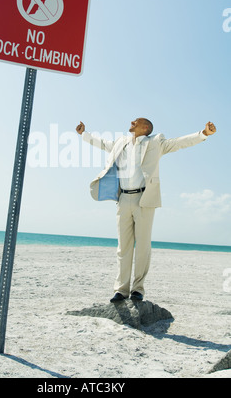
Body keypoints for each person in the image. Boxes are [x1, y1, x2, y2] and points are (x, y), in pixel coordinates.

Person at [76, 118, 217, 302]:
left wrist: (203, 133)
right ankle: (121, 290)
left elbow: (179, 143)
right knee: (123, 248)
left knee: (143, 247)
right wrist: (83, 134)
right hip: (123, 199)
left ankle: (138, 290)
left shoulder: (156, 142)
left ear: (146, 128)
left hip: (144, 199)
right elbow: (103, 143)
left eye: (136, 121)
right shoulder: (121, 142)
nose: (132, 122)